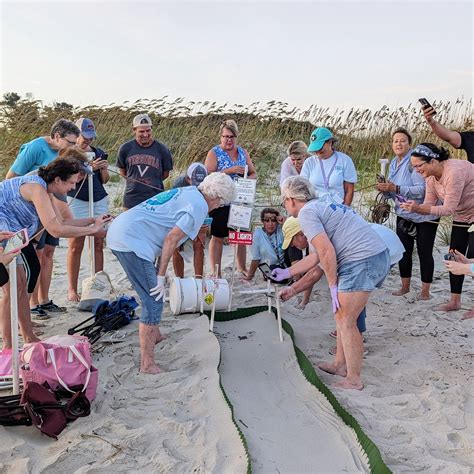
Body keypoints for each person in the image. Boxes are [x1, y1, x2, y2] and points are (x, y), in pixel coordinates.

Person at [107, 173, 235, 374]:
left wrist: (158, 272)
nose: (219, 207)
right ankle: (147, 364)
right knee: (153, 299)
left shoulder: (190, 191)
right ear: (216, 197)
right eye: (221, 202)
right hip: (130, 241)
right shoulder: (199, 208)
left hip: (124, 230)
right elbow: (171, 240)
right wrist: (160, 276)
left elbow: (164, 226)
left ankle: (154, 334)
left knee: (150, 291)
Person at [274, 176, 390, 390]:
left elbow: (327, 252)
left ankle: (354, 379)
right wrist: (287, 272)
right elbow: (316, 256)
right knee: (341, 316)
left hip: (362, 259)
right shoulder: (320, 205)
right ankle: (339, 363)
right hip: (373, 255)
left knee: (346, 319)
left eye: (283, 200)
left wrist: (333, 286)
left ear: (291, 199)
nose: (284, 205)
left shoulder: (307, 213)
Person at [0, 158, 111, 350]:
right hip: (5, 232)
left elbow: (61, 222)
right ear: (58, 179)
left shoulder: (46, 190)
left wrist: (94, 220)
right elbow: (56, 230)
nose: (74, 187)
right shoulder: (36, 188)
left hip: (15, 234)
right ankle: (8, 347)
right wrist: (93, 230)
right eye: (72, 182)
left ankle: (28, 337)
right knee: (12, 291)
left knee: (21, 286)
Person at [5, 119, 80, 317]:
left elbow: (63, 224)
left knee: (48, 253)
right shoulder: (35, 147)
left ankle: (43, 300)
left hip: (51, 201)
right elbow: (11, 177)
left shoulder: (61, 153)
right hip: (32, 209)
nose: (73, 146)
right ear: (57, 136)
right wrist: (31, 201)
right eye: (71, 142)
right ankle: (30, 306)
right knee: (32, 260)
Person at [401, 143, 473, 319]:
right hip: (462, 215)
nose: (416, 170)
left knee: (471, 259)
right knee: (453, 255)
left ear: (432, 161)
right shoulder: (431, 177)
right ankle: (454, 301)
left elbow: (447, 209)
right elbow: (429, 204)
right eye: (414, 167)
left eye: (419, 165)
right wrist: (413, 208)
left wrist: (420, 210)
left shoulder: (453, 172)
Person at [376, 128, 439, 299]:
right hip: (404, 213)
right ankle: (405, 287)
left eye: (403, 140)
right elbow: (394, 193)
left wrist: (395, 188)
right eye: (395, 141)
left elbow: (422, 190)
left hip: (425, 214)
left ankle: (425, 292)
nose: (399, 144)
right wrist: (385, 190)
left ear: (409, 144)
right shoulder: (393, 163)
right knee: (404, 250)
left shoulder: (414, 162)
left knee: (425, 252)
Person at [205, 119, 257, 277]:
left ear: (236, 137)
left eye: (232, 137)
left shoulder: (243, 152)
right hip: (220, 200)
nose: (228, 140)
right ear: (221, 137)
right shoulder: (214, 152)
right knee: (218, 235)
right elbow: (208, 176)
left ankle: (241, 267)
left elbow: (254, 173)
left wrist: (249, 180)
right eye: (226, 136)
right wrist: (230, 170)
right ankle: (216, 271)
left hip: (241, 198)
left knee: (240, 234)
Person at [66, 118, 110, 302]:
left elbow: (105, 180)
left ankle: (98, 284)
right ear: (76, 135)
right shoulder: (68, 154)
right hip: (77, 199)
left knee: (99, 242)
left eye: (91, 137)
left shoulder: (99, 153)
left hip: (98, 197)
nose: (88, 141)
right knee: (76, 244)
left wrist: (103, 168)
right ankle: (71, 289)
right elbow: (68, 176)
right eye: (85, 137)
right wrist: (87, 167)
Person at [116, 114, 173, 210]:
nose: (145, 135)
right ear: (134, 130)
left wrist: (151, 183)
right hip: (131, 200)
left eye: (148, 130)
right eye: (141, 131)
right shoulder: (125, 148)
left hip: (156, 199)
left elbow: (165, 174)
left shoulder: (162, 149)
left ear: (152, 129)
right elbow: (123, 172)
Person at [301, 127, 357, 205]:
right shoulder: (309, 162)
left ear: (330, 142)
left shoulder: (345, 160)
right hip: (314, 207)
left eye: (320, 147)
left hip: (337, 208)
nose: (317, 151)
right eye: (315, 149)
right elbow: (303, 188)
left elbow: (349, 190)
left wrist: (345, 210)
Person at [171, 163, 208, 278]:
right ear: (188, 178)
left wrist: (204, 223)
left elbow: (208, 204)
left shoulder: (208, 184)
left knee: (199, 244)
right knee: (176, 246)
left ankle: (198, 279)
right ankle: (179, 279)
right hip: (181, 212)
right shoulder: (178, 184)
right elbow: (173, 206)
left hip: (200, 211)